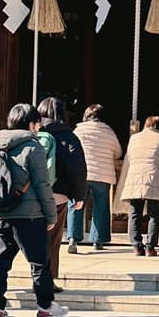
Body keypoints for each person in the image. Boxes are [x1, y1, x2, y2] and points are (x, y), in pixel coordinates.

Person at [0, 104, 68, 317]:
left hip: (2, 212)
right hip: (30, 214)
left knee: (1, 261)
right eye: (37, 123)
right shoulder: (33, 147)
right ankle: (45, 306)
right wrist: (51, 215)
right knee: (39, 262)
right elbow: (42, 184)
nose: (38, 127)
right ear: (31, 124)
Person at [37, 97, 87, 287]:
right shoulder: (69, 137)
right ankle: (47, 280)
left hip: (32, 194)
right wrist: (79, 196)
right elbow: (77, 169)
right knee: (52, 239)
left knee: (32, 237)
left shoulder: (34, 134)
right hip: (57, 196)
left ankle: (36, 276)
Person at [67, 104, 122, 253]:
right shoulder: (109, 132)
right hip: (103, 175)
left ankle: (73, 239)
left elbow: (70, 150)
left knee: (76, 205)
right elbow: (118, 152)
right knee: (101, 207)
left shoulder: (79, 131)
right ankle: (98, 241)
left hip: (81, 174)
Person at [120, 116, 159, 256]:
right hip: (155, 179)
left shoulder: (134, 138)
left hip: (135, 178)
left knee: (135, 213)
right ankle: (150, 247)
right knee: (154, 214)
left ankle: (136, 246)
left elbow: (129, 157)